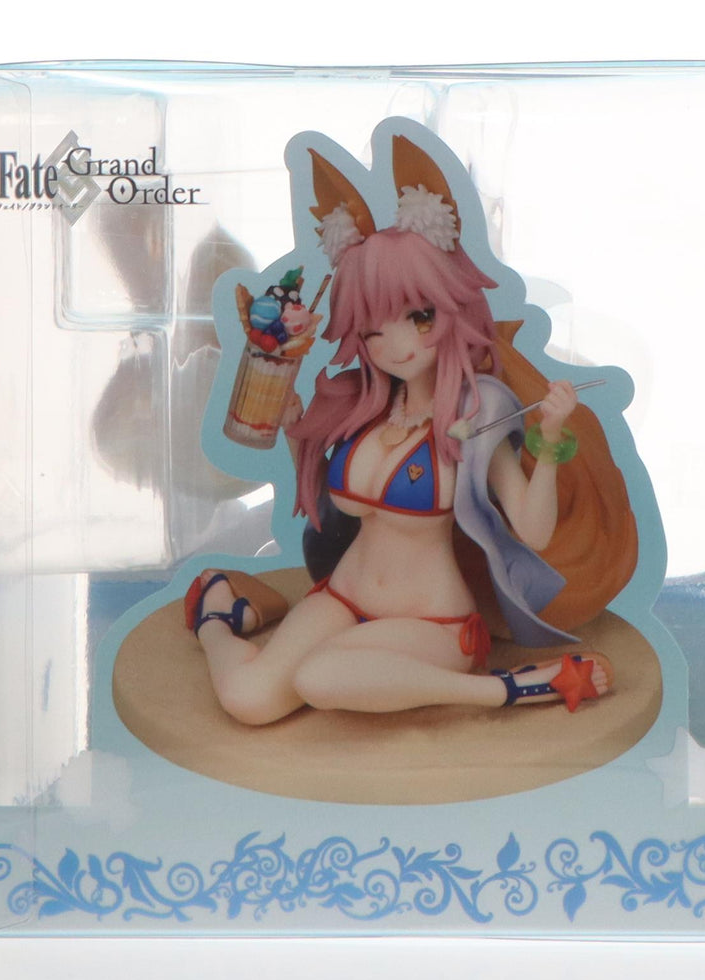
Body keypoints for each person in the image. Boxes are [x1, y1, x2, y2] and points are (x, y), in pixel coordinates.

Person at [185, 136, 622, 725]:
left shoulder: (478, 412)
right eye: (372, 326)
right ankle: (217, 613)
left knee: (320, 677)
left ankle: (517, 687)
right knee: (249, 701)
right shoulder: (361, 406)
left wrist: (547, 440)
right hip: (343, 596)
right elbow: (324, 504)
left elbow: (534, 530)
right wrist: (294, 430)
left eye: (419, 317)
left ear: (450, 308)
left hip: (432, 621)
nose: (396, 343)